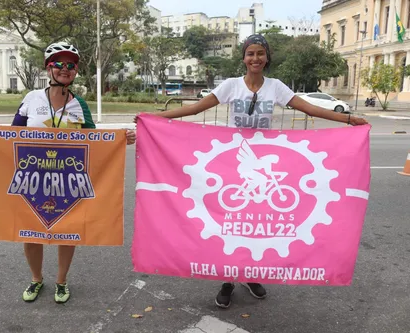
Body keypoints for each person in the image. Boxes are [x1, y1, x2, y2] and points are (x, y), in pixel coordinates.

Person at [134, 34, 368, 309]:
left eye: (260, 53)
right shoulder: (231, 86)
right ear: (243, 58)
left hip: (266, 155)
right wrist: (151, 118)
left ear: (267, 57)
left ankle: (252, 274)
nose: (255, 58)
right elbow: (196, 109)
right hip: (233, 162)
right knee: (231, 224)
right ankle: (228, 279)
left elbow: (310, 109)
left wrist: (348, 119)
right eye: (250, 53)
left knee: (257, 224)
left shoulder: (276, 88)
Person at [0, 42, 137, 304]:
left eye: (71, 65)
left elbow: (95, 141)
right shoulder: (32, 99)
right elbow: (11, 136)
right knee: (30, 230)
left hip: (66, 180)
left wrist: (122, 139)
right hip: (33, 178)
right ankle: (36, 279)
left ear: (75, 72)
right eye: (59, 64)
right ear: (49, 68)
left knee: (69, 229)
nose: (65, 69)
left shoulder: (79, 105)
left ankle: (61, 281)